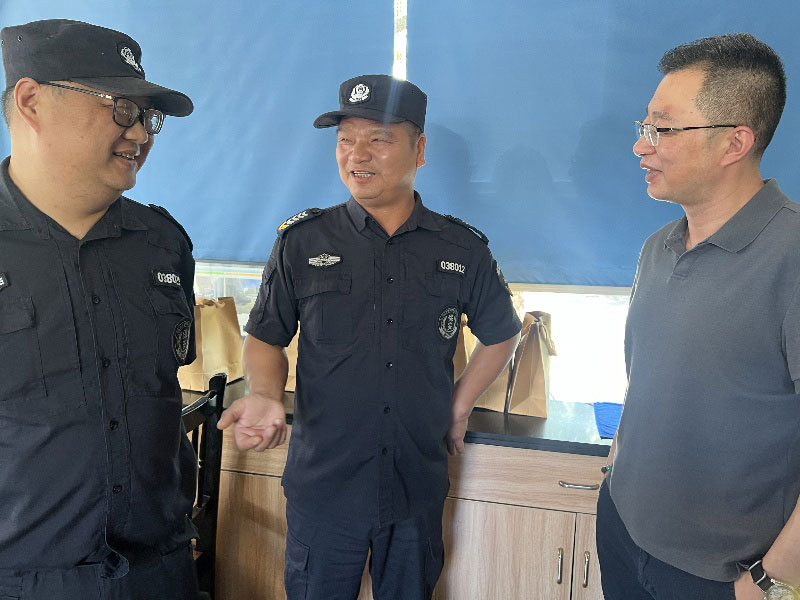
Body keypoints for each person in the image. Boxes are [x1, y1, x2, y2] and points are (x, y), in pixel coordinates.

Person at [218, 74, 521, 599]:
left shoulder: (460, 248)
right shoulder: (302, 241)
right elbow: (266, 336)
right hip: (325, 485)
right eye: (345, 140)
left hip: (414, 484)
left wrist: (459, 406)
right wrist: (265, 393)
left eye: (378, 139)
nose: (356, 154)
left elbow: (501, 333)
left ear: (419, 150)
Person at [0, 19, 199, 599]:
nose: (140, 133)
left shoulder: (163, 244)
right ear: (31, 101)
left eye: (149, 117)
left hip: (159, 573)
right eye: (121, 109)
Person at [597, 33, 800, 600]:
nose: (641, 146)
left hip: (724, 575)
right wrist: (615, 471)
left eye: (662, 129)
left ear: (734, 142)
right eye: (645, 127)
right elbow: (652, 378)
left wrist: (772, 582)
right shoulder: (658, 246)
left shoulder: (791, 255)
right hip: (625, 531)